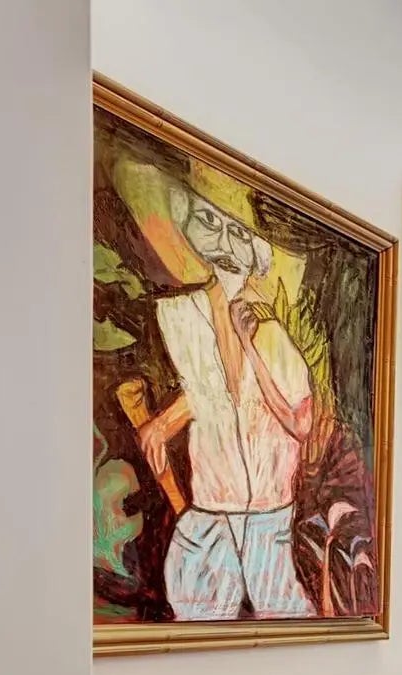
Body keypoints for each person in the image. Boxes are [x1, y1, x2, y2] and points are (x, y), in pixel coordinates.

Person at [136, 163, 317, 621]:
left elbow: (300, 422)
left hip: (269, 514)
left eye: (237, 231)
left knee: (286, 619)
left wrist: (250, 347)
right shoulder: (180, 315)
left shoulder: (270, 331)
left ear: (256, 249)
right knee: (193, 614)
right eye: (208, 221)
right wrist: (163, 423)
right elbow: (208, 391)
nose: (222, 242)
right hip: (209, 510)